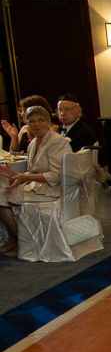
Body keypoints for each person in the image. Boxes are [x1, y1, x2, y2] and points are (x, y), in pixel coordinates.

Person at [0, 106, 72, 256]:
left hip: (53, 189)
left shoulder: (57, 142)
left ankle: (22, 242)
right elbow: (32, 170)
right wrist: (16, 176)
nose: (36, 124)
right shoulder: (33, 143)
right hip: (38, 185)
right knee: (2, 194)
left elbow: (58, 175)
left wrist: (25, 177)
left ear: (48, 122)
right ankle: (15, 239)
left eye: (41, 120)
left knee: (1, 198)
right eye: (31, 121)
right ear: (27, 124)